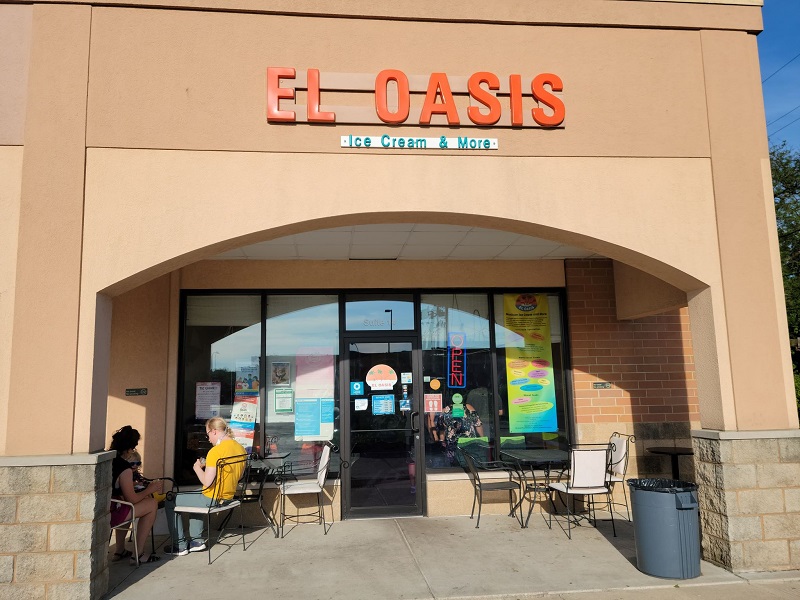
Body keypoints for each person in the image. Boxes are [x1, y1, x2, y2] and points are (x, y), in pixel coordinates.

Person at [164, 417, 246, 556]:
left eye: (207, 434)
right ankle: (196, 542)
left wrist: (197, 468)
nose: (208, 439)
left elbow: (207, 482)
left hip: (212, 498)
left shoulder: (215, 451)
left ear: (214, 431)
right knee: (194, 496)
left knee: (170, 499)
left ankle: (180, 545)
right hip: (228, 497)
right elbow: (239, 476)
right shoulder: (240, 448)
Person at [109, 426, 163, 565]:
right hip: (114, 512)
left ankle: (120, 549)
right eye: (133, 448)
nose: (133, 451)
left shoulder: (109, 459)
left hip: (106, 508)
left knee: (131, 505)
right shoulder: (124, 468)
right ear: (128, 449)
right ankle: (138, 554)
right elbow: (132, 499)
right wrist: (150, 489)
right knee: (151, 504)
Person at [436, 399, 484, 466]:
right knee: (471, 465)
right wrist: (482, 439)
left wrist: (442, 442)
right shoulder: (469, 407)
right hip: (468, 443)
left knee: (454, 468)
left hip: (452, 445)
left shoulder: (444, 411)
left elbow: (442, 430)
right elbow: (478, 424)